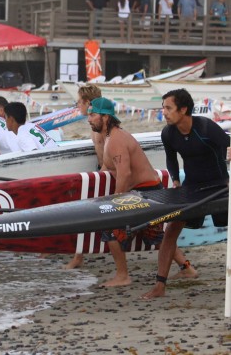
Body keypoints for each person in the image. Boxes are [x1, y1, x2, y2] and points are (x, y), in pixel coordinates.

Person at [87, 97, 194, 287]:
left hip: (145, 193)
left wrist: (114, 203)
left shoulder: (116, 140)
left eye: (92, 114)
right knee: (157, 237)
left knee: (110, 229)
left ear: (105, 117)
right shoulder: (111, 137)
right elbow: (108, 166)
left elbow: (125, 174)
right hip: (148, 190)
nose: (89, 119)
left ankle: (122, 276)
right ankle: (187, 269)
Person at [141, 89, 229, 299]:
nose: (164, 112)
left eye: (168, 108)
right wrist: (176, 181)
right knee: (171, 229)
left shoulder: (207, 128)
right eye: (163, 107)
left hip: (220, 186)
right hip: (191, 187)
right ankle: (160, 286)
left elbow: (228, 145)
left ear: (183, 109)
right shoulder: (168, 133)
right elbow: (171, 160)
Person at [64, 84, 105, 270]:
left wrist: (101, 176)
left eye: (79, 102)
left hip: (108, 173)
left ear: (88, 103)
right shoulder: (95, 123)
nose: (77, 106)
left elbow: (109, 153)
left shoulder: (100, 126)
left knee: (86, 214)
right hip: (104, 171)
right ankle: (78, 255)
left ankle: (78, 257)